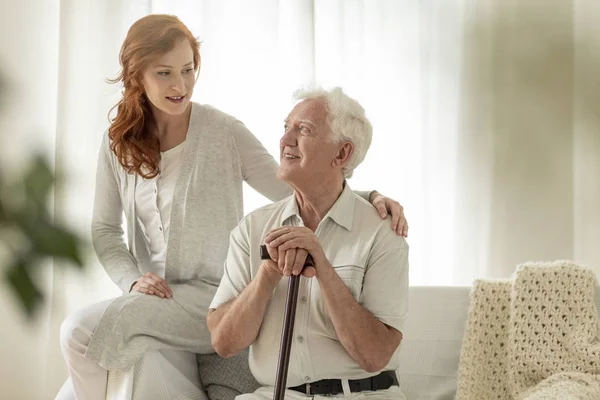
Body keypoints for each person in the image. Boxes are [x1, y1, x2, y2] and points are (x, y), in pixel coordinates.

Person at [56, 14, 408, 400]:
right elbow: (105, 231)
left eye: (188, 70)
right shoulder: (116, 143)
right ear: (137, 76)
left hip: (211, 298)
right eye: (165, 73)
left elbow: (295, 182)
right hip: (155, 301)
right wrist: (131, 280)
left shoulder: (222, 132)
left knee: (78, 335)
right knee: (87, 379)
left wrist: (368, 196)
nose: (180, 85)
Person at [207, 87, 409, 400]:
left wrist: (324, 268)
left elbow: (375, 356)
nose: (285, 140)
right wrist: (266, 276)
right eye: (286, 127)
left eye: (304, 130)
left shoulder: (382, 231)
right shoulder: (253, 229)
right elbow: (224, 342)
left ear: (342, 154)